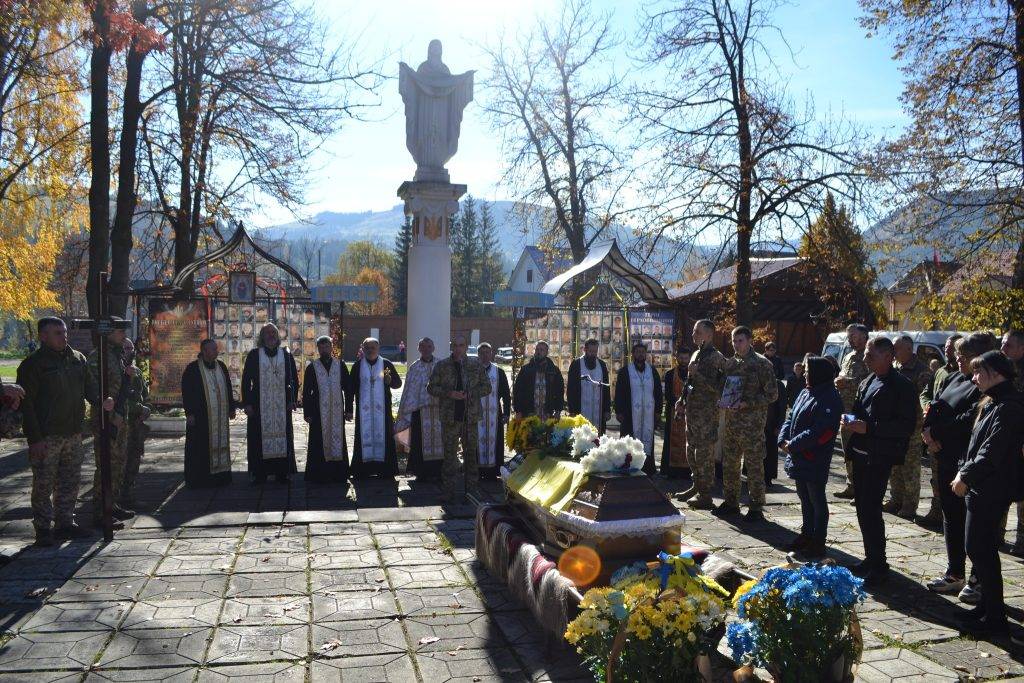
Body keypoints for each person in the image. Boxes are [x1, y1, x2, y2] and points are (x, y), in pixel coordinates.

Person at [952, 350, 1024, 637]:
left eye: (979, 372)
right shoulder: (994, 401)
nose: (974, 378)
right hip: (982, 486)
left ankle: (996, 621)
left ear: (996, 373)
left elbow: (992, 451)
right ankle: (987, 609)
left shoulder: (1010, 406)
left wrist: (965, 476)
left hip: (992, 488)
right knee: (980, 550)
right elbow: (976, 443)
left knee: (979, 549)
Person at [19, 318, 109, 545]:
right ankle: (42, 529)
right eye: (57, 333)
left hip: (73, 433)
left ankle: (65, 523)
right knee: (44, 483)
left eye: (64, 332)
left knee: (70, 480)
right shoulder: (33, 365)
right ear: (43, 336)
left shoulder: (77, 359)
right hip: (47, 435)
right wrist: (35, 439)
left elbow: (90, 389)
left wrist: (101, 400)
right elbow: (26, 406)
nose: (64, 336)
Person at [842, 336, 917, 588]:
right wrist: (850, 420)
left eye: (870, 355)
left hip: (880, 456)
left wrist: (870, 427)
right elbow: (859, 410)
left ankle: (880, 564)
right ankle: (870, 558)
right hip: (861, 454)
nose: (865, 358)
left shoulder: (902, 386)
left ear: (888, 356)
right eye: (865, 353)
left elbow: (905, 426)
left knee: (872, 510)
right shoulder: (868, 380)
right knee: (863, 508)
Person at [922, 333, 990, 600]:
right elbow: (935, 406)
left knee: (974, 522)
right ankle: (955, 572)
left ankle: (978, 577)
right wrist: (928, 433)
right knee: (951, 515)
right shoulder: (954, 378)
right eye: (957, 355)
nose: (958, 360)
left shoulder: (982, 385)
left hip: (966, 459)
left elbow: (968, 419)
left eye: (964, 356)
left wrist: (937, 433)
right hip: (943, 456)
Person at [778, 356, 842, 559]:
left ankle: (818, 542)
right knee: (804, 498)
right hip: (798, 456)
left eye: (808, 371)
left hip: (813, 458)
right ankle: (806, 535)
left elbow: (820, 431)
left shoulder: (830, 397)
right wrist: (782, 438)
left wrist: (793, 445)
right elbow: (791, 416)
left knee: (817, 501)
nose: (804, 374)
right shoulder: (806, 391)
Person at [719, 326, 779, 521]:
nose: (737, 345)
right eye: (734, 341)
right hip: (732, 424)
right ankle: (731, 502)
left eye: (741, 341)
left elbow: (772, 394)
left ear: (750, 340)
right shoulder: (731, 364)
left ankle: (756, 507)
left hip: (752, 426)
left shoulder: (762, 364)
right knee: (730, 465)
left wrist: (748, 403)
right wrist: (723, 400)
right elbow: (725, 388)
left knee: (754, 466)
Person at [427, 335, 492, 502]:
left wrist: (470, 394)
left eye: (461, 345)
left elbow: (487, 387)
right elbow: (431, 387)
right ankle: (448, 491)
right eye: (455, 345)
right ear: (451, 347)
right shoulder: (442, 366)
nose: (458, 349)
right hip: (450, 418)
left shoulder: (475, 365)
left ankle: (471, 490)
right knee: (449, 456)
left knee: (471, 454)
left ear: (466, 347)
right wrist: (450, 394)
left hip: (470, 418)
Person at [676, 319, 727, 509]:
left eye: (698, 332)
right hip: (693, 412)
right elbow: (690, 382)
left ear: (709, 335)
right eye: (694, 331)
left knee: (704, 455)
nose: (693, 335)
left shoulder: (717, 358)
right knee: (691, 452)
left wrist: (698, 375)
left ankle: (706, 494)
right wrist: (682, 399)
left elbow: (719, 388)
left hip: (707, 415)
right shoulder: (696, 353)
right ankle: (696, 485)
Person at [87, 321, 134, 529]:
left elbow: (119, 387)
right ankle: (100, 512)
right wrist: (111, 414)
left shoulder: (118, 355)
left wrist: (128, 375)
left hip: (120, 417)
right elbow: (93, 387)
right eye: (119, 330)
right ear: (108, 333)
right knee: (105, 464)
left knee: (118, 463)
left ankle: (112, 504)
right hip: (105, 418)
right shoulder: (98, 356)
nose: (123, 333)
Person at [241, 323, 299, 483]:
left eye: (274, 332)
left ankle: (282, 472)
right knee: (258, 438)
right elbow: (246, 380)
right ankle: (260, 473)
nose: (271, 335)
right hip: (259, 406)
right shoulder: (254, 355)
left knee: (283, 438)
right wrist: (247, 404)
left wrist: (292, 400)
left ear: (278, 336)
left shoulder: (286, 354)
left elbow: (294, 379)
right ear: (262, 336)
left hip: (282, 405)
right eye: (267, 333)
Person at [884, 335, 933, 520]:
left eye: (897, 349)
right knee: (894, 465)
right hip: (894, 425)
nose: (893, 352)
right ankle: (896, 499)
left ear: (908, 349)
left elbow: (924, 400)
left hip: (912, 427)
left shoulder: (921, 371)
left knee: (910, 467)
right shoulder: (894, 367)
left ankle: (910, 505)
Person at [919, 333, 963, 528]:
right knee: (936, 477)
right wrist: (927, 405)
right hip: (933, 429)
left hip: (950, 435)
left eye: (951, 347)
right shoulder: (940, 372)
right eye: (945, 346)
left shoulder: (963, 377)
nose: (947, 349)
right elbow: (927, 393)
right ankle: (937, 511)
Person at [182, 339, 236, 488]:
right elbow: (187, 393)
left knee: (220, 445)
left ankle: (221, 477)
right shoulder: (192, 369)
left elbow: (228, 388)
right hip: (200, 418)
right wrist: (190, 413)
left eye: (216, 349)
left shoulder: (222, 367)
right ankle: (200, 479)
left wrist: (231, 408)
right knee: (200, 448)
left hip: (219, 417)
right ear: (204, 351)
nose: (216, 352)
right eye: (213, 349)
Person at [349, 337, 403, 479]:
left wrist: (390, 381)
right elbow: (350, 389)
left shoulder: (386, 364)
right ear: (363, 349)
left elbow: (398, 384)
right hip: (364, 411)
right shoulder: (357, 366)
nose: (370, 350)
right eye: (367, 348)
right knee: (363, 437)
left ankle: (385, 469)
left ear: (378, 349)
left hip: (383, 411)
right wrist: (348, 409)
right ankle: (363, 470)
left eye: (373, 347)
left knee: (385, 437)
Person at [302, 336, 350, 484]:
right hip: (318, 413)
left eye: (327, 346)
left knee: (338, 440)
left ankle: (338, 473)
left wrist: (348, 409)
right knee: (318, 441)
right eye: (321, 347)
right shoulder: (312, 367)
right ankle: (318, 474)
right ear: (318, 349)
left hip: (336, 411)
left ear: (331, 347)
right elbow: (306, 392)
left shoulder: (340, 365)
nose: (324, 349)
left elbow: (348, 389)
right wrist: (307, 413)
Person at [395, 338, 443, 481]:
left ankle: (439, 471)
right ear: (419, 349)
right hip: (420, 411)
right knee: (419, 442)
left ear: (433, 348)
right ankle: (421, 472)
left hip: (439, 411)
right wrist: (406, 409)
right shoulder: (414, 367)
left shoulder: (441, 365)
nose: (426, 349)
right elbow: (408, 391)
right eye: (423, 346)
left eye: (429, 346)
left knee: (440, 441)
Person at [615, 341, 664, 475]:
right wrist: (618, 411)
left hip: (648, 414)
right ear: (633, 354)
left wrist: (658, 411)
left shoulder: (652, 371)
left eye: (643, 352)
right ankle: (627, 466)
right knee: (628, 440)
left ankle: (648, 468)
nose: (641, 354)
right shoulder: (625, 371)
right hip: (629, 414)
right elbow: (618, 392)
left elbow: (658, 393)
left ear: (646, 354)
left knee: (647, 441)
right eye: (638, 352)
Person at [835, 324, 871, 500]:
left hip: (861, 413)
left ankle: (863, 489)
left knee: (860, 452)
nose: (850, 339)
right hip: (846, 411)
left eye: (854, 336)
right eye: (849, 336)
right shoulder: (849, 356)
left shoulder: (870, 355)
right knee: (847, 448)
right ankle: (851, 485)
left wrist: (847, 382)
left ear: (864, 336)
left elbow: (872, 382)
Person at [1000, 330, 1024, 555]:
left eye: (1008, 345)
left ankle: (1021, 540)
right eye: (1002, 344)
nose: (1003, 349)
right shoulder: (1000, 370)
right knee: (1000, 487)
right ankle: (997, 533)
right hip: (1003, 439)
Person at [120, 338, 151, 509]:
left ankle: (128, 495)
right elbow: (119, 400)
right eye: (125, 348)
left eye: (131, 348)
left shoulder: (137, 371)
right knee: (121, 461)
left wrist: (147, 409)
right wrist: (139, 408)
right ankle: (116, 497)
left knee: (134, 460)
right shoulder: (116, 371)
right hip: (122, 423)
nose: (129, 351)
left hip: (137, 424)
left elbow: (145, 395)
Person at [476, 343, 511, 480]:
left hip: (494, 414)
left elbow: (506, 395)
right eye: (482, 353)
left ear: (491, 353)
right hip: (476, 414)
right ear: (478, 354)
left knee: (494, 441)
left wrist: (506, 413)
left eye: (487, 352)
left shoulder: (499, 372)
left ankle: (493, 470)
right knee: (477, 442)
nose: (484, 355)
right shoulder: (473, 371)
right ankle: (477, 471)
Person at [567, 339, 611, 434]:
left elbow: (606, 389)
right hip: (580, 409)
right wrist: (572, 409)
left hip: (598, 410)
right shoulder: (576, 364)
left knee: (598, 437)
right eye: (591, 351)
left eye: (595, 351)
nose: (593, 354)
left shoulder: (602, 365)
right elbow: (571, 389)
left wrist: (607, 410)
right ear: (585, 350)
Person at [661, 346, 692, 479]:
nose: (684, 360)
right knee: (671, 441)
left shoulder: (694, 375)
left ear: (689, 359)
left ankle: (687, 471)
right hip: (674, 412)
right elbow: (668, 394)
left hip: (690, 413)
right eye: (681, 358)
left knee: (689, 440)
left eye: (686, 358)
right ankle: (672, 471)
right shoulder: (669, 374)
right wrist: (679, 402)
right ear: (677, 358)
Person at [512, 341, 564, 419]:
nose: (539, 352)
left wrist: (558, 410)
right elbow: (518, 391)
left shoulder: (554, 370)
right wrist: (518, 411)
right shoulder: (526, 369)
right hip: (529, 412)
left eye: (542, 350)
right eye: (537, 349)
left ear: (547, 352)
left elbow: (559, 391)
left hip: (548, 413)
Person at [764, 374, 787, 487]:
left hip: (771, 425)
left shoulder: (778, 384)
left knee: (770, 453)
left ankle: (768, 478)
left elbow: (782, 407)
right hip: (757, 425)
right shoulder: (756, 381)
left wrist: (779, 425)